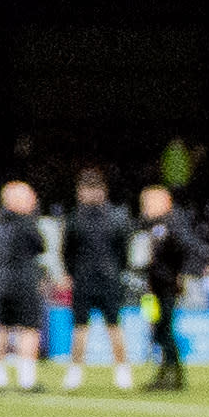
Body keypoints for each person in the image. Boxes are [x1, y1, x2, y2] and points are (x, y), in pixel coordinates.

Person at [58, 165, 134, 389]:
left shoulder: (116, 217)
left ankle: (122, 371)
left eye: (94, 189)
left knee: (114, 325)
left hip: (109, 279)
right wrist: (71, 273)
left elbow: (123, 250)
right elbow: (67, 251)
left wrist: (115, 271)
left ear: (103, 191)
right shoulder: (75, 218)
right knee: (80, 326)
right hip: (83, 279)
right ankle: (75, 371)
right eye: (86, 189)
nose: (90, 194)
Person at [0, 179, 49, 390]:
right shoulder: (25, 223)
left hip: (0, 282)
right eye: (28, 196)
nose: (33, 200)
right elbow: (40, 246)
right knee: (29, 329)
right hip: (24, 281)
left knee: (2, 327)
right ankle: (26, 379)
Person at [134, 182, 195, 390]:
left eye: (149, 201)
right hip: (151, 288)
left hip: (166, 285)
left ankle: (174, 374)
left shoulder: (173, 223)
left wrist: (182, 275)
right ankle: (165, 373)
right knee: (157, 329)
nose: (146, 206)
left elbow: (188, 249)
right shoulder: (149, 225)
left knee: (165, 328)